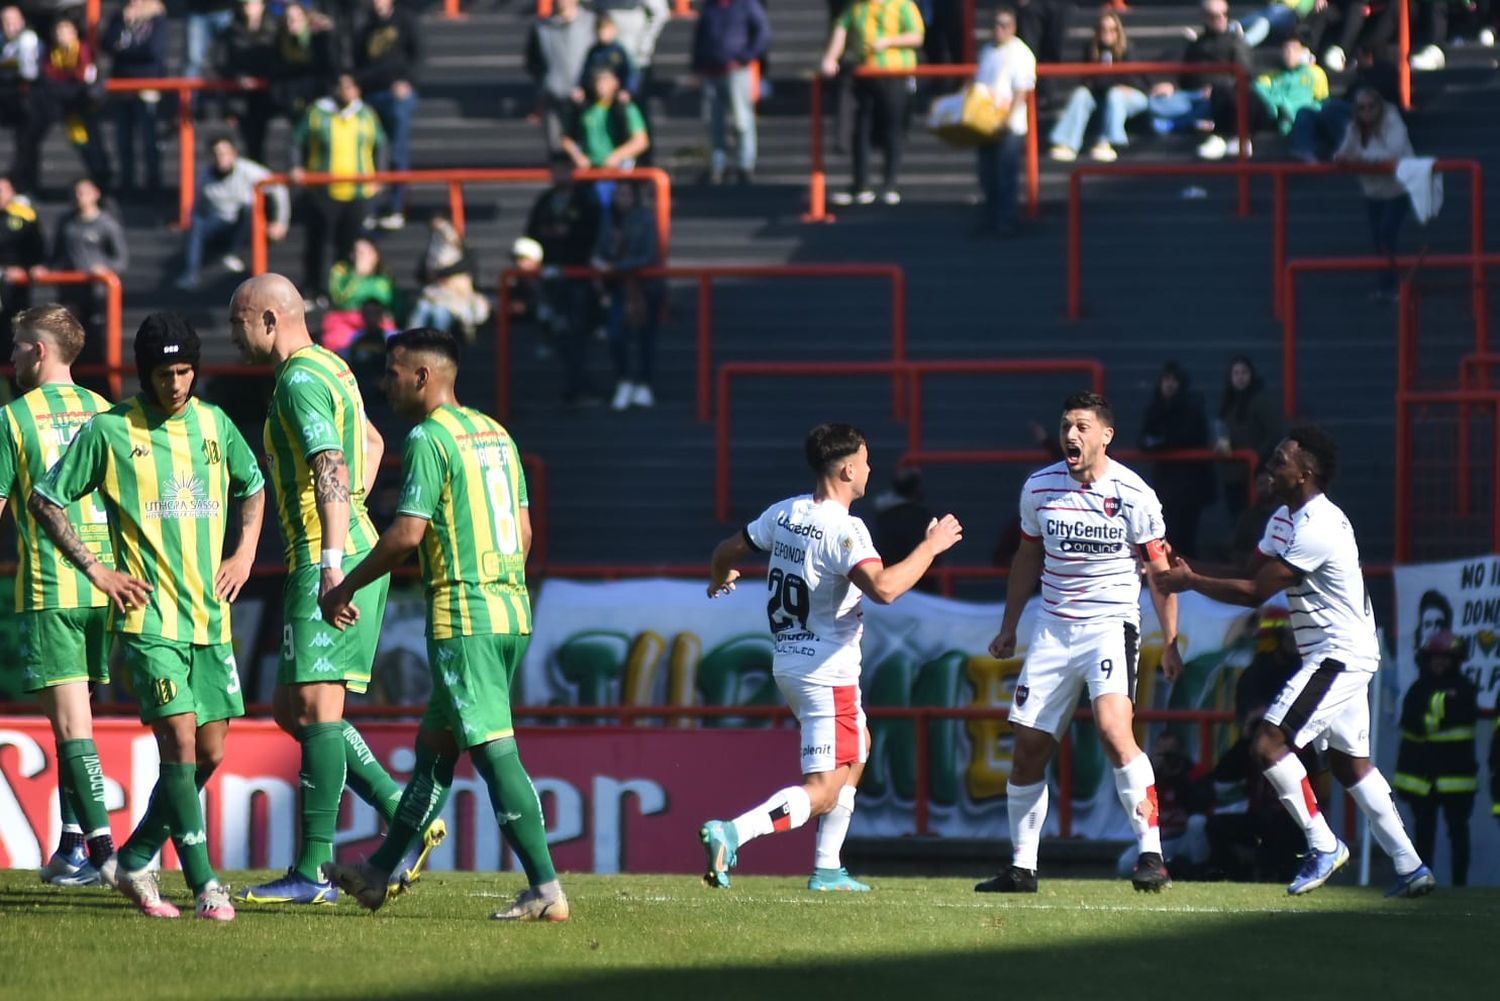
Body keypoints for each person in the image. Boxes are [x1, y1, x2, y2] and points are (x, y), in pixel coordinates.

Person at [321, 326, 568, 922]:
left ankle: (545, 889)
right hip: (512, 608)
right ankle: (379, 873)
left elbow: (407, 533)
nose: (387, 382)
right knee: (434, 751)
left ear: (423, 376)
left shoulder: (430, 439)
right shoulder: (496, 434)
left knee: (490, 749)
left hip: (465, 618)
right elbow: (528, 532)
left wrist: (345, 584)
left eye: (393, 371)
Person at [31, 312, 266, 920]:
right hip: (149, 621)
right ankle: (206, 882)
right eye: (166, 372)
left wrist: (243, 553)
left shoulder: (215, 423)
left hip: (210, 619)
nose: (178, 383)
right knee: (181, 745)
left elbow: (254, 485)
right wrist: (97, 571)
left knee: (211, 753)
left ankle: (135, 858)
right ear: (146, 373)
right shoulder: (110, 430)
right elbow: (45, 499)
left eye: (187, 370)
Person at [228, 274, 445, 906]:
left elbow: (331, 462)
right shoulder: (332, 368)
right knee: (290, 709)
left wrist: (331, 556)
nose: (232, 331)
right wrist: (351, 519)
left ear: (269, 319)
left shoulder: (297, 380)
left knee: (318, 712)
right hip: (343, 543)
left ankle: (311, 872)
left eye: (238, 318)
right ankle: (406, 813)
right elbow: (371, 442)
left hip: (324, 556)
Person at [1155, 425, 1436, 898]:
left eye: (1280, 460)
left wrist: (1190, 582)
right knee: (1351, 767)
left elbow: (1256, 594)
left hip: (1337, 654)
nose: (1270, 465)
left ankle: (1324, 844)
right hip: (1341, 652)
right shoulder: (1285, 517)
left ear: (1306, 472)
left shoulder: (1318, 525)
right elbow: (1249, 572)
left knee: (1266, 744)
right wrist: (1192, 567)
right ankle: (1411, 867)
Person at [699, 423, 964, 891]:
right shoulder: (845, 529)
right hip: (827, 671)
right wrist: (932, 546)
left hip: (790, 662)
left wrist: (721, 575)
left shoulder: (785, 512)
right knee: (822, 791)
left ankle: (827, 866)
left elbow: (725, 549)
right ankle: (733, 833)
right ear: (846, 469)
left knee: (858, 744)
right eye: (864, 460)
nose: (869, 468)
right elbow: (883, 588)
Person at [975, 392, 1184, 894]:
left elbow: (1160, 574)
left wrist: (1171, 640)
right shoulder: (1040, 487)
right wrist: (1010, 625)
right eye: (1067, 425)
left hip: (1110, 626)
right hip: (1052, 629)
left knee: (1115, 731)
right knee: (1027, 749)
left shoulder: (1134, 494)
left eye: (1083, 426)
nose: (1072, 434)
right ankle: (1023, 868)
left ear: (1106, 435)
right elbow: (1027, 558)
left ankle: (1151, 854)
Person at [0, 304, 116, 887]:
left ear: (40, 351)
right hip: (108, 586)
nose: (13, 354)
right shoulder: (106, 411)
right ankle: (73, 844)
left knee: (73, 729)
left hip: (50, 585)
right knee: (81, 720)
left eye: (19, 345)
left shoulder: (14, 419)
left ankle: (102, 852)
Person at [820, 0, 925, 206]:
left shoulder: (902, 5)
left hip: (895, 76)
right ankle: (861, 184)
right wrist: (830, 58)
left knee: (892, 129)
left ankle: (890, 184)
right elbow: (841, 30)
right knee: (861, 129)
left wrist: (887, 42)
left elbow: (917, 36)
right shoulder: (857, 7)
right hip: (866, 75)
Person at [291, 72, 386, 300]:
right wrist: (296, 166)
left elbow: (381, 144)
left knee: (349, 245)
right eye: (342, 87)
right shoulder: (317, 113)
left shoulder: (366, 115)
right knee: (318, 242)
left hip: (357, 191)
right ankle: (314, 288)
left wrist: (379, 174)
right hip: (323, 190)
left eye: (350, 87)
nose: (346, 92)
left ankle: (343, 291)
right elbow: (296, 140)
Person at [1394, 630, 1478, 886]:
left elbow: (1459, 713)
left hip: (1456, 779)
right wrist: (1439, 713)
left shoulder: (1464, 688)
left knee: (1458, 833)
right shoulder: (1418, 688)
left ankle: (1459, 886)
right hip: (1423, 779)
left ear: (1456, 660)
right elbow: (1409, 721)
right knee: (1423, 835)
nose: (1440, 663)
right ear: (1427, 660)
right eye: (1435, 658)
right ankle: (1422, 881)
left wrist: (1428, 716)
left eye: (1446, 658)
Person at [525, 154, 604, 407]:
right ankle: (570, 386)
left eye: (563, 169)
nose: (559, 174)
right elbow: (531, 234)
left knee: (577, 331)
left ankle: (580, 386)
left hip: (578, 276)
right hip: (550, 277)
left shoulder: (586, 201)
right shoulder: (545, 202)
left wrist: (568, 237)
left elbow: (591, 232)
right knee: (558, 331)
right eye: (555, 169)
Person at [176, 135, 289, 290]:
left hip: (243, 224)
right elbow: (197, 206)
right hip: (217, 223)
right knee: (196, 222)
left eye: (224, 153)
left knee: (250, 208)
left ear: (234, 154)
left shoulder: (248, 170)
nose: (220, 158)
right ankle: (191, 273)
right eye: (216, 154)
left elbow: (278, 187)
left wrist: (280, 221)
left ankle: (233, 254)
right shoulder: (204, 176)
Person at [1333, 88, 1412, 301]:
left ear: (1380, 106)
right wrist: (1342, 157)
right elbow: (1344, 151)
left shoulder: (1394, 123)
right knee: (1379, 239)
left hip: (1399, 189)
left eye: (1371, 106)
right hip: (1373, 192)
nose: (1367, 111)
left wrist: (1360, 158)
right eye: (1361, 108)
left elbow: (1393, 152)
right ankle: (1387, 285)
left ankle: (1393, 285)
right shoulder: (1354, 128)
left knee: (1386, 233)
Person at [591, 180, 663, 410]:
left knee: (645, 337)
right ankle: (624, 379)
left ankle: (645, 383)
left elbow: (649, 255)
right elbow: (599, 249)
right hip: (619, 288)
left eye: (627, 194)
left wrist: (616, 267)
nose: (622, 199)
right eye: (619, 194)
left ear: (635, 196)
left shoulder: (645, 218)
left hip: (644, 287)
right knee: (615, 334)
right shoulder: (607, 219)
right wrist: (602, 263)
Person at [1198, 34, 1328, 160]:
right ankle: (1220, 137)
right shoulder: (1275, 75)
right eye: (1285, 48)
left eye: (1293, 49)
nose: (1288, 53)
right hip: (1264, 108)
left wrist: (1268, 98)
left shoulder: (1309, 75)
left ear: (1304, 53)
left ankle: (1242, 140)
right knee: (1222, 88)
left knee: (1250, 95)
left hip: (1277, 117)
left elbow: (1293, 104)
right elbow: (1259, 87)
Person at [354, 0, 421, 231]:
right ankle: (370, 209)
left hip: (395, 95)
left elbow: (418, 55)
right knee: (370, 154)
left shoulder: (405, 20)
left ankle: (395, 207)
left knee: (397, 152)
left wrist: (407, 82)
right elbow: (357, 61)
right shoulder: (365, 26)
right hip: (371, 95)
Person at [1047, 10, 1147, 163]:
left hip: (1132, 95)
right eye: (1103, 29)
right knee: (1081, 93)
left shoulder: (1128, 48)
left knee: (1115, 94)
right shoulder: (1091, 49)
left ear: (1118, 31)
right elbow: (1087, 81)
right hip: (1103, 95)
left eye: (1112, 29)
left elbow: (1132, 80)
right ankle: (1067, 143)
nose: (1108, 33)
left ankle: (1107, 142)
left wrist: (1108, 80)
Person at [1140, 362, 1214, 559]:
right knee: (1165, 531)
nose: (1169, 385)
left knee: (1185, 534)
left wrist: (1162, 442)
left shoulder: (1191, 408)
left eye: (1174, 380)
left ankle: (1187, 576)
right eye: (1166, 380)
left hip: (1189, 484)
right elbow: (1144, 440)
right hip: (1165, 483)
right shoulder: (1155, 408)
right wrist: (1163, 442)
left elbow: (1187, 436)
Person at [693, 0, 770, 185]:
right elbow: (700, 36)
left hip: (736, 71)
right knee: (713, 122)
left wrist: (746, 56)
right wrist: (697, 65)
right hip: (711, 72)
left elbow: (763, 32)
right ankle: (718, 165)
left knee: (742, 120)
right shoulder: (710, 6)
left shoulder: (746, 4)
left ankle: (745, 165)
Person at [1114, 731, 1211, 878]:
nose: (1166, 760)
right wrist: (1154, 774)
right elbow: (1132, 804)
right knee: (1126, 864)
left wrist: (1178, 778)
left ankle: (1200, 872)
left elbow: (1200, 804)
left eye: (1171, 754)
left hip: (1185, 840)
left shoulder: (1193, 772)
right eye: (1162, 754)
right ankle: (1173, 868)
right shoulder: (1147, 776)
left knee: (1198, 822)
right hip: (1159, 842)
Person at [1148, 0, 1251, 138]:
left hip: (1215, 97)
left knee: (1217, 104)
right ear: (1204, 17)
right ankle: (1194, 122)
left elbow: (1244, 75)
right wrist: (1170, 84)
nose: (1221, 18)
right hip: (1191, 96)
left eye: (1225, 14)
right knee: (1154, 103)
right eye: (1214, 15)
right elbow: (1180, 70)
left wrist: (1217, 90)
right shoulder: (1196, 43)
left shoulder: (1236, 43)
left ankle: (1180, 124)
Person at [973, 8, 1034, 238]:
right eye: (995, 25)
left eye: (1004, 25)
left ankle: (1006, 221)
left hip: (1010, 124)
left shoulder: (1020, 53)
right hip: (985, 122)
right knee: (987, 174)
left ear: (1013, 28)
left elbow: (1022, 89)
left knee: (1005, 175)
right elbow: (979, 83)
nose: (998, 30)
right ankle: (990, 218)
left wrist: (1008, 119)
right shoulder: (987, 51)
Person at [100, 0, 167, 195]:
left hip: (147, 86)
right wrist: (124, 25)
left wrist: (123, 50)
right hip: (122, 88)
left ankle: (153, 183)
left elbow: (153, 51)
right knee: (123, 138)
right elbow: (106, 44)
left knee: (149, 137)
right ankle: (127, 182)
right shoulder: (118, 18)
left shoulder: (157, 19)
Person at [38, 15, 111, 190]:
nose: (62, 35)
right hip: (69, 110)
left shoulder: (83, 50)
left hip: (84, 106)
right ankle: (96, 176)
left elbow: (81, 75)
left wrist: (66, 80)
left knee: (93, 143)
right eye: (58, 32)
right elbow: (49, 77)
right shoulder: (53, 54)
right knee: (80, 143)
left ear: (74, 32)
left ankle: (102, 178)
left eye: (65, 31)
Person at [1215, 356, 1282, 521]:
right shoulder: (1227, 404)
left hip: (1254, 477)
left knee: (1253, 522)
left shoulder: (1260, 401)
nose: (1240, 377)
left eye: (1244, 372)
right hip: (1232, 476)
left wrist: (1258, 459)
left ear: (1251, 375)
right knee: (1237, 521)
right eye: (1236, 373)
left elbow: (1275, 433)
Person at [525, 0, 596, 155]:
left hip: (589, 99)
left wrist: (588, 87)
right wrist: (547, 86)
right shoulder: (541, 27)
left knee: (592, 150)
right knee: (558, 150)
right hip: (555, 98)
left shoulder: (592, 22)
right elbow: (533, 63)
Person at [410, 214, 490, 341]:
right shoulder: (430, 254)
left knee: (441, 315)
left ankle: (439, 345)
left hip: (456, 298)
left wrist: (441, 274)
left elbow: (467, 266)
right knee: (422, 310)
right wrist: (435, 276)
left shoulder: (465, 252)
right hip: (435, 295)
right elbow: (421, 274)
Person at [216, 0, 277, 163]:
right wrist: (238, 77)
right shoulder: (231, 31)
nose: (247, 8)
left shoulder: (275, 29)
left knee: (268, 144)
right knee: (248, 144)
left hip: (269, 95)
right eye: (244, 4)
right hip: (241, 98)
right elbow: (222, 63)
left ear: (262, 5)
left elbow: (279, 60)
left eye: (252, 3)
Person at [561, 65, 650, 176]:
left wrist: (616, 156)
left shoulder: (623, 109)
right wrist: (578, 156)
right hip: (589, 172)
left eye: (606, 80)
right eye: (598, 80)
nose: (601, 84)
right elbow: (567, 138)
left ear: (615, 82)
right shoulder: (584, 109)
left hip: (618, 172)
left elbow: (641, 141)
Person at [322, 237, 398, 354]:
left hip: (377, 320)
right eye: (356, 252)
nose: (359, 256)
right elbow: (339, 298)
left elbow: (390, 300)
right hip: (345, 321)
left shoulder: (384, 276)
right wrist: (357, 276)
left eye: (363, 253)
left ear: (375, 255)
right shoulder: (340, 271)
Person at [1, 6, 43, 192]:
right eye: (5, 22)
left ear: (22, 22)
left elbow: (29, 73)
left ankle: (27, 186)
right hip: (8, 100)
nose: (10, 27)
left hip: (29, 101)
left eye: (13, 21)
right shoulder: (4, 42)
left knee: (27, 145)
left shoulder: (29, 40)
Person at [581, 11, 640, 98]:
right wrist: (581, 88)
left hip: (617, 96)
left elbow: (631, 72)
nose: (603, 35)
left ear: (614, 30)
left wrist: (627, 90)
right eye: (601, 31)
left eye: (606, 30)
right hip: (595, 96)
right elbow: (586, 72)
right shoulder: (594, 51)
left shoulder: (619, 50)